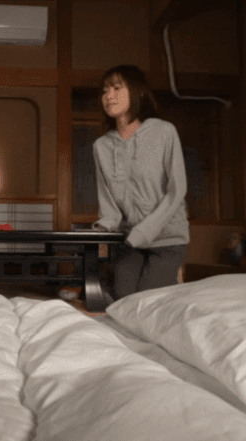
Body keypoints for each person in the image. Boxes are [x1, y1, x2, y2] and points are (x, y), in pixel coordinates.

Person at [92, 65, 190, 300]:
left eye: (117, 88)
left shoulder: (164, 132)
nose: (109, 95)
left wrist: (144, 232)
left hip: (167, 238)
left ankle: (174, 278)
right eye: (105, 90)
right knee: (123, 298)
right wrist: (101, 232)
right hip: (129, 241)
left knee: (147, 301)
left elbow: (177, 189)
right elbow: (107, 200)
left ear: (138, 92)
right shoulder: (101, 146)